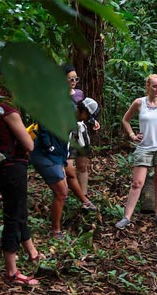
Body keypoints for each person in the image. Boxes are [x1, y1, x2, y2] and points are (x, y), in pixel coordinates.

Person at [0, 63, 40, 285]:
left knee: (16, 210)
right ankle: (11, 271)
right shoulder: (7, 109)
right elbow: (29, 144)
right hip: (12, 165)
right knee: (13, 215)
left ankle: (29, 252)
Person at [116, 74, 157, 230]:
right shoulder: (139, 103)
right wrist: (132, 135)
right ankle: (126, 217)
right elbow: (125, 119)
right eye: (154, 86)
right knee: (137, 183)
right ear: (147, 86)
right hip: (144, 147)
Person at [30, 97, 99, 239]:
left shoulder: (74, 119)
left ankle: (85, 202)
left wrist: (62, 160)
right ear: (83, 111)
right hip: (45, 154)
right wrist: (48, 145)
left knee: (69, 175)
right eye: (88, 117)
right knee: (61, 192)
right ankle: (56, 231)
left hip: (57, 155)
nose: (86, 120)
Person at [63, 65, 99, 211]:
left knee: (83, 166)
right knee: (68, 167)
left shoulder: (79, 93)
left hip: (81, 132)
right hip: (67, 133)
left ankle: (84, 198)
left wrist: (92, 121)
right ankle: (64, 197)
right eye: (70, 79)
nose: (73, 81)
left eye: (75, 78)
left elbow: (84, 111)